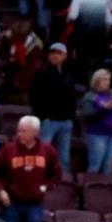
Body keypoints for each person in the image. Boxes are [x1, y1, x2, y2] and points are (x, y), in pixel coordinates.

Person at [0, 115, 61, 222]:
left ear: (35, 132)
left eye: (24, 131)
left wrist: (46, 187)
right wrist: (0, 190)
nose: (19, 134)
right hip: (11, 203)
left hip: (35, 204)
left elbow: (56, 175)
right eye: (19, 131)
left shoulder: (48, 151)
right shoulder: (8, 150)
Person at [31, 43, 76, 171]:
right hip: (49, 121)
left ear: (65, 56)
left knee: (64, 157)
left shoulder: (68, 75)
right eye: (52, 52)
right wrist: (42, 117)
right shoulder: (41, 73)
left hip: (66, 121)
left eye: (58, 53)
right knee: (42, 154)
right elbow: (34, 97)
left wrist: (71, 118)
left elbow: (72, 98)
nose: (55, 55)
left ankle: (62, 184)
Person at [81, 69, 112, 174]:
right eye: (104, 80)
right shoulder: (90, 96)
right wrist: (104, 109)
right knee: (95, 167)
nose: (107, 82)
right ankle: (90, 189)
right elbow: (87, 116)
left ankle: (105, 190)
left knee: (109, 168)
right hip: (97, 135)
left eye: (108, 80)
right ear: (97, 81)